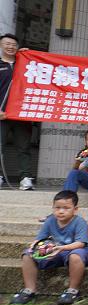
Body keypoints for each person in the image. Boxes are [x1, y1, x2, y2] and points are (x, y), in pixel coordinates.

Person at [11, 190, 88, 305]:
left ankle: (73, 290)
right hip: (55, 251)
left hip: (75, 250)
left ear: (75, 209)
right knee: (27, 254)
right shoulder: (50, 220)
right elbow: (40, 238)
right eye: (57, 208)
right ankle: (29, 290)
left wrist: (62, 248)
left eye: (66, 208)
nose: (61, 211)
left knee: (76, 255)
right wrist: (34, 245)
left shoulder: (80, 222)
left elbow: (81, 243)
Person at [0, 34, 35, 190]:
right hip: (2, 113)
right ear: (1, 46)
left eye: (14, 44)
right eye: (7, 44)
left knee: (24, 147)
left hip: (22, 113)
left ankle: (25, 178)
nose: (10, 47)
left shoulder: (25, 63)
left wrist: (28, 55)